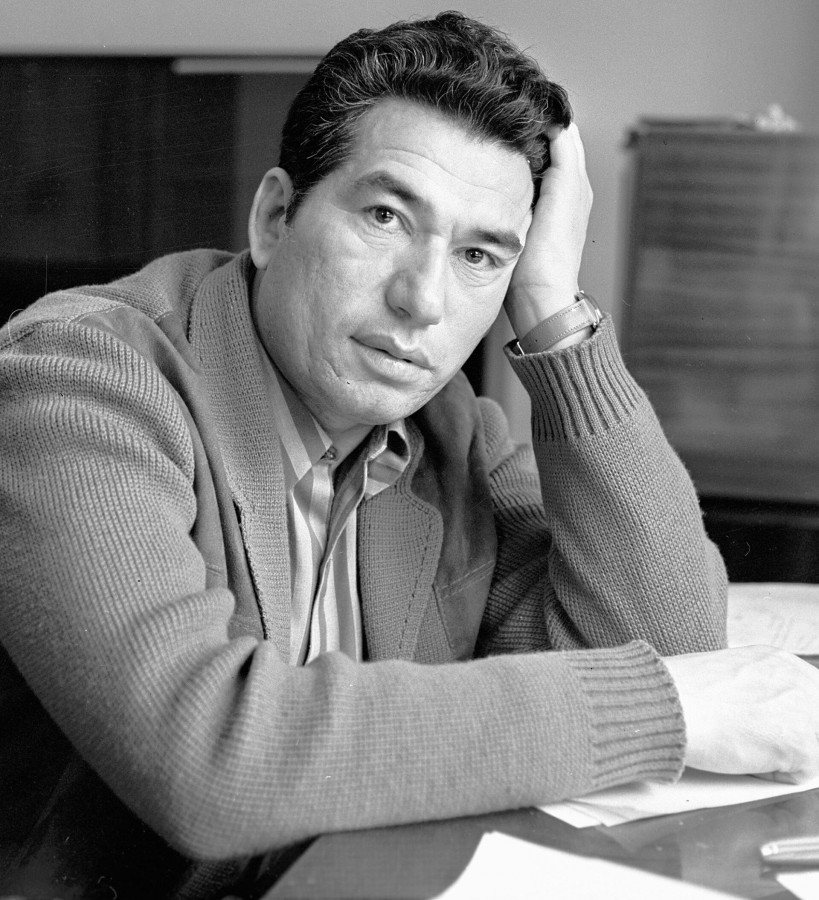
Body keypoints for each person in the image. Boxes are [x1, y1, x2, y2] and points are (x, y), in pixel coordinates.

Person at [1, 11, 818, 900]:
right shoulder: (79, 376)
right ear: (274, 217)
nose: (423, 299)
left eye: (479, 255)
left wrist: (554, 310)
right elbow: (208, 756)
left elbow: (668, 644)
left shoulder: (451, 431)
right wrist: (668, 711)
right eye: (386, 216)